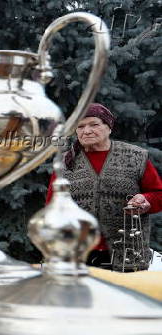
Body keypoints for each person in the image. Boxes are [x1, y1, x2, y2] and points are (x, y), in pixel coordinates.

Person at [46, 103, 162, 272]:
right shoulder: (65, 163)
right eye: (80, 126)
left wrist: (146, 200)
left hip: (128, 253)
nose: (86, 131)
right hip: (78, 255)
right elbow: (52, 206)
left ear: (109, 128)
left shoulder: (135, 157)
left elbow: (158, 194)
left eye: (94, 124)